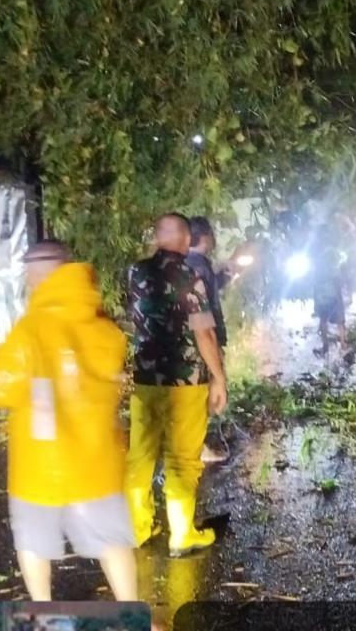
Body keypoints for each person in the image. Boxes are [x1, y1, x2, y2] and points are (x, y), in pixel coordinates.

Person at [0, 241, 137, 601]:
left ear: (40, 271)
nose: (27, 276)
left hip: (41, 466)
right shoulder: (101, 325)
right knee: (112, 540)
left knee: (34, 542)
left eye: (29, 267)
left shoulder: (32, 327)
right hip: (96, 460)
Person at [124, 213, 228, 557]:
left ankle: (138, 528)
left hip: (145, 380)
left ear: (157, 239)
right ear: (185, 240)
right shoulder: (189, 275)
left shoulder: (135, 272)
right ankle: (181, 534)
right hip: (185, 381)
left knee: (140, 456)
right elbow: (204, 332)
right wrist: (218, 377)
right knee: (182, 458)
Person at [186, 216, 231, 465]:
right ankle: (196, 445)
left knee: (199, 393)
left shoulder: (191, 263)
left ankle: (193, 440)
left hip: (188, 343)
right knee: (207, 390)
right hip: (202, 339)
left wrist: (225, 275)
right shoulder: (199, 265)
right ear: (205, 236)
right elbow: (208, 311)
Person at [313, 242, 350, 352]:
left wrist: (316, 303)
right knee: (340, 322)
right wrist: (341, 302)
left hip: (322, 300)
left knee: (323, 321)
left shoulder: (318, 271)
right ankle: (343, 344)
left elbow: (315, 287)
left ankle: (325, 346)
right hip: (334, 298)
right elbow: (338, 285)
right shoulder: (335, 270)